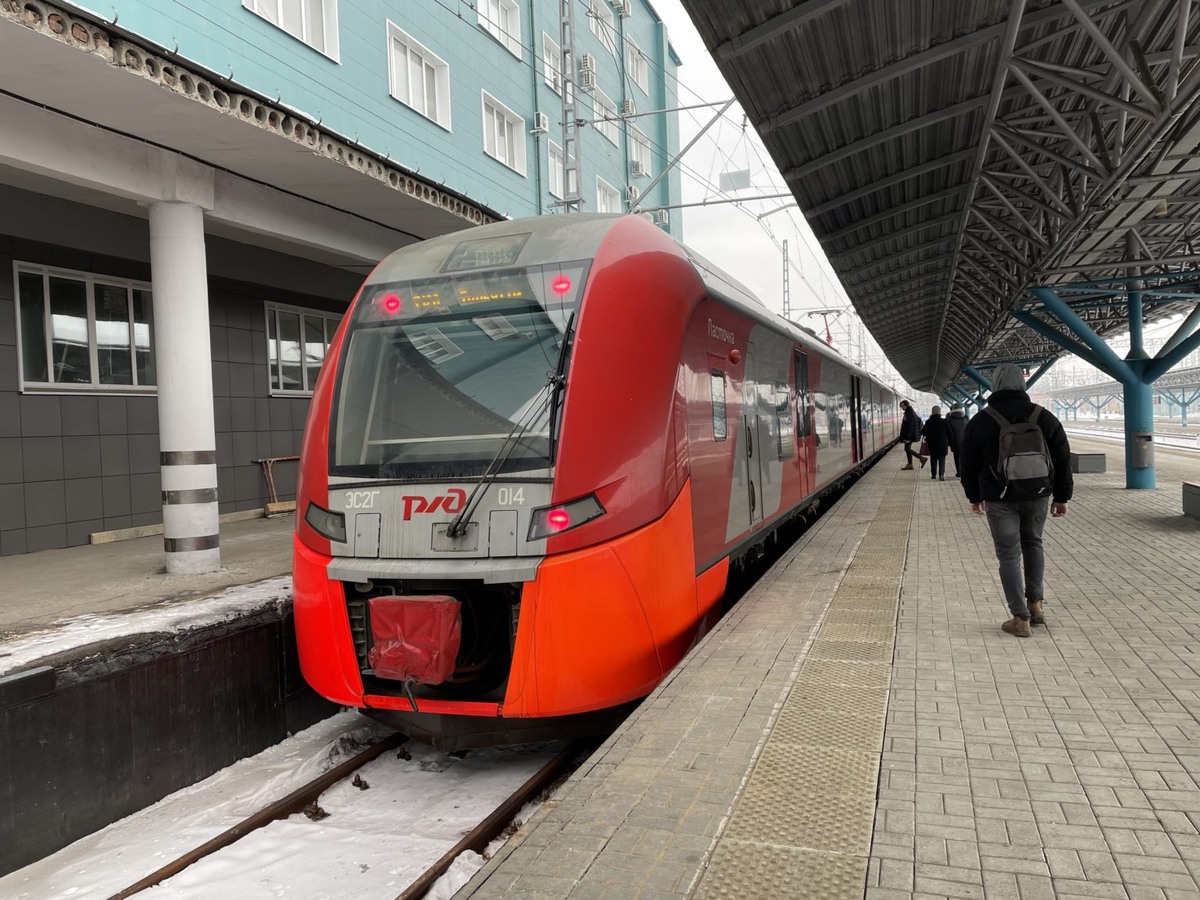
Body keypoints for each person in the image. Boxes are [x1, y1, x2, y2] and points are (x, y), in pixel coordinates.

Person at [960, 364, 1072, 638]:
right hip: (1038, 494)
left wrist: (974, 496)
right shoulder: (1043, 417)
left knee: (1008, 554)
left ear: (994, 385)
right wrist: (1062, 497)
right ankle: (1036, 605)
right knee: (1033, 544)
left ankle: (1020, 618)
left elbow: (967, 463)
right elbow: (1062, 458)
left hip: (999, 498)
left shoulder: (982, 420)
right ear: (1022, 384)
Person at [920, 406, 951, 481]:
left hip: (932, 444)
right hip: (943, 444)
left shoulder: (928, 422)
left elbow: (923, 432)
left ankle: (933, 475)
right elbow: (950, 433)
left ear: (932, 412)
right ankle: (941, 475)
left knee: (933, 459)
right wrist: (949, 442)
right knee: (942, 460)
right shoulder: (945, 421)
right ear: (940, 412)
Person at [899, 400, 926, 469]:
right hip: (912, 435)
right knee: (907, 448)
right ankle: (910, 464)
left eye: (902, 406)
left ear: (906, 405)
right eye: (901, 406)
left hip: (910, 436)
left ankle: (921, 458)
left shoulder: (909, 414)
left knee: (907, 449)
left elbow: (910, 427)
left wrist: (908, 438)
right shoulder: (911, 412)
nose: (902, 408)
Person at [946, 404, 968, 476]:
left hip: (954, 442)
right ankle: (964, 471)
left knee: (956, 457)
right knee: (964, 457)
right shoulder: (966, 418)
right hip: (965, 442)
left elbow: (948, 431)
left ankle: (959, 472)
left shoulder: (950, 419)